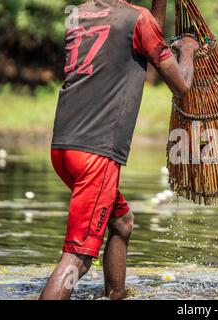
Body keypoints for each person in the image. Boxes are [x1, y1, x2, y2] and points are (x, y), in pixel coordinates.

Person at [40, 0, 199, 300]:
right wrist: (188, 49)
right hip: (97, 154)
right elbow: (183, 86)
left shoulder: (81, 13)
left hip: (64, 147)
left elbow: (149, 39)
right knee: (78, 258)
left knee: (121, 223)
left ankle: (116, 296)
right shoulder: (137, 19)